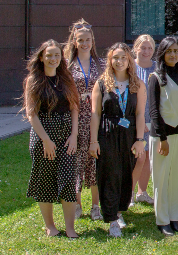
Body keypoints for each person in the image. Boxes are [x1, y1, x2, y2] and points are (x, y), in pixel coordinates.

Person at [89, 43, 148, 237]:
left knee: (125, 173)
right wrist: (93, 141)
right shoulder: (101, 83)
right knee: (109, 174)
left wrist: (140, 139)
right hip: (107, 133)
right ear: (110, 60)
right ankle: (111, 219)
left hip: (129, 134)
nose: (119, 61)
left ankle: (120, 211)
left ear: (129, 60)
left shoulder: (138, 84)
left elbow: (140, 114)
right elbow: (96, 114)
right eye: (116, 57)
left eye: (123, 57)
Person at [24, 40, 80, 238]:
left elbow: (74, 108)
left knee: (68, 181)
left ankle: (70, 227)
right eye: (49, 55)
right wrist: (46, 140)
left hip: (66, 136)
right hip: (43, 135)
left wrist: (74, 135)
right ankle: (50, 226)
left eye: (57, 55)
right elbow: (32, 114)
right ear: (41, 57)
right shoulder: (34, 80)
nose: (53, 59)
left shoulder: (66, 79)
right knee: (45, 181)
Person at [147, 36, 178, 236]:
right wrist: (162, 138)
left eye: (176, 51)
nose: (173, 55)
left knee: (177, 179)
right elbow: (154, 111)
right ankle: (163, 220)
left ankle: (175, 217)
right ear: (162, 54)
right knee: (161, 180)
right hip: (163, 139)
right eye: (169, 51)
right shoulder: (155, 77)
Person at [63, 18, 105, 220]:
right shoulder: (68, 65)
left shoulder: (101, 63)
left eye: (88, 39)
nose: (85, 43)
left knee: (96, 160)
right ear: (74, 42)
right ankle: (78, 204)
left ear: (93, 41)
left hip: (97, 116)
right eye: (81, 40)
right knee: (76, 162)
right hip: (76, 117)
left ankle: (96, 205)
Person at [131, 34, 155, 205]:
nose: (146, 51)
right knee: (136, 158)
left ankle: (142, 192)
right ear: (136, 48)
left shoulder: (158, 68)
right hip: (134, 120)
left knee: (147, 157)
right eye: (143, 47)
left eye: (150, 48)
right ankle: (129, 193)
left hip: (152, 120)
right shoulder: (130, 68)